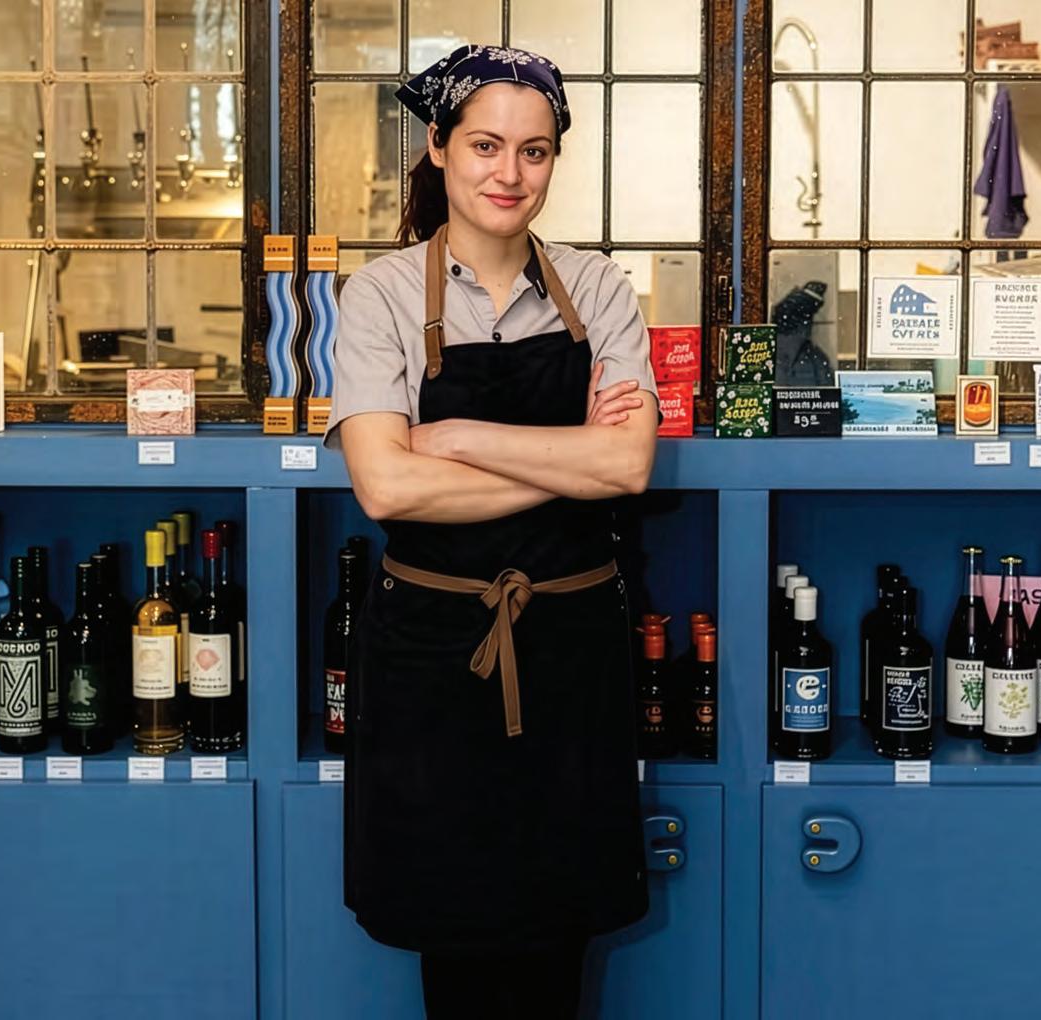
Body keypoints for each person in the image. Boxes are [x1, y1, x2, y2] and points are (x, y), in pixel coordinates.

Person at [324, 43, 659, 1019]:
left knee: (560, 937)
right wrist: (566, 462)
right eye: (484, 146)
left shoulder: (596, 289)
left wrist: (461, 437)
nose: (509, 173)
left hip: (569, 651)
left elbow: (627, 468)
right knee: (453, 934)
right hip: (433, 658)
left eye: (534, 151)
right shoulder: (381, 293)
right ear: (437, 146)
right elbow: (386, 486)